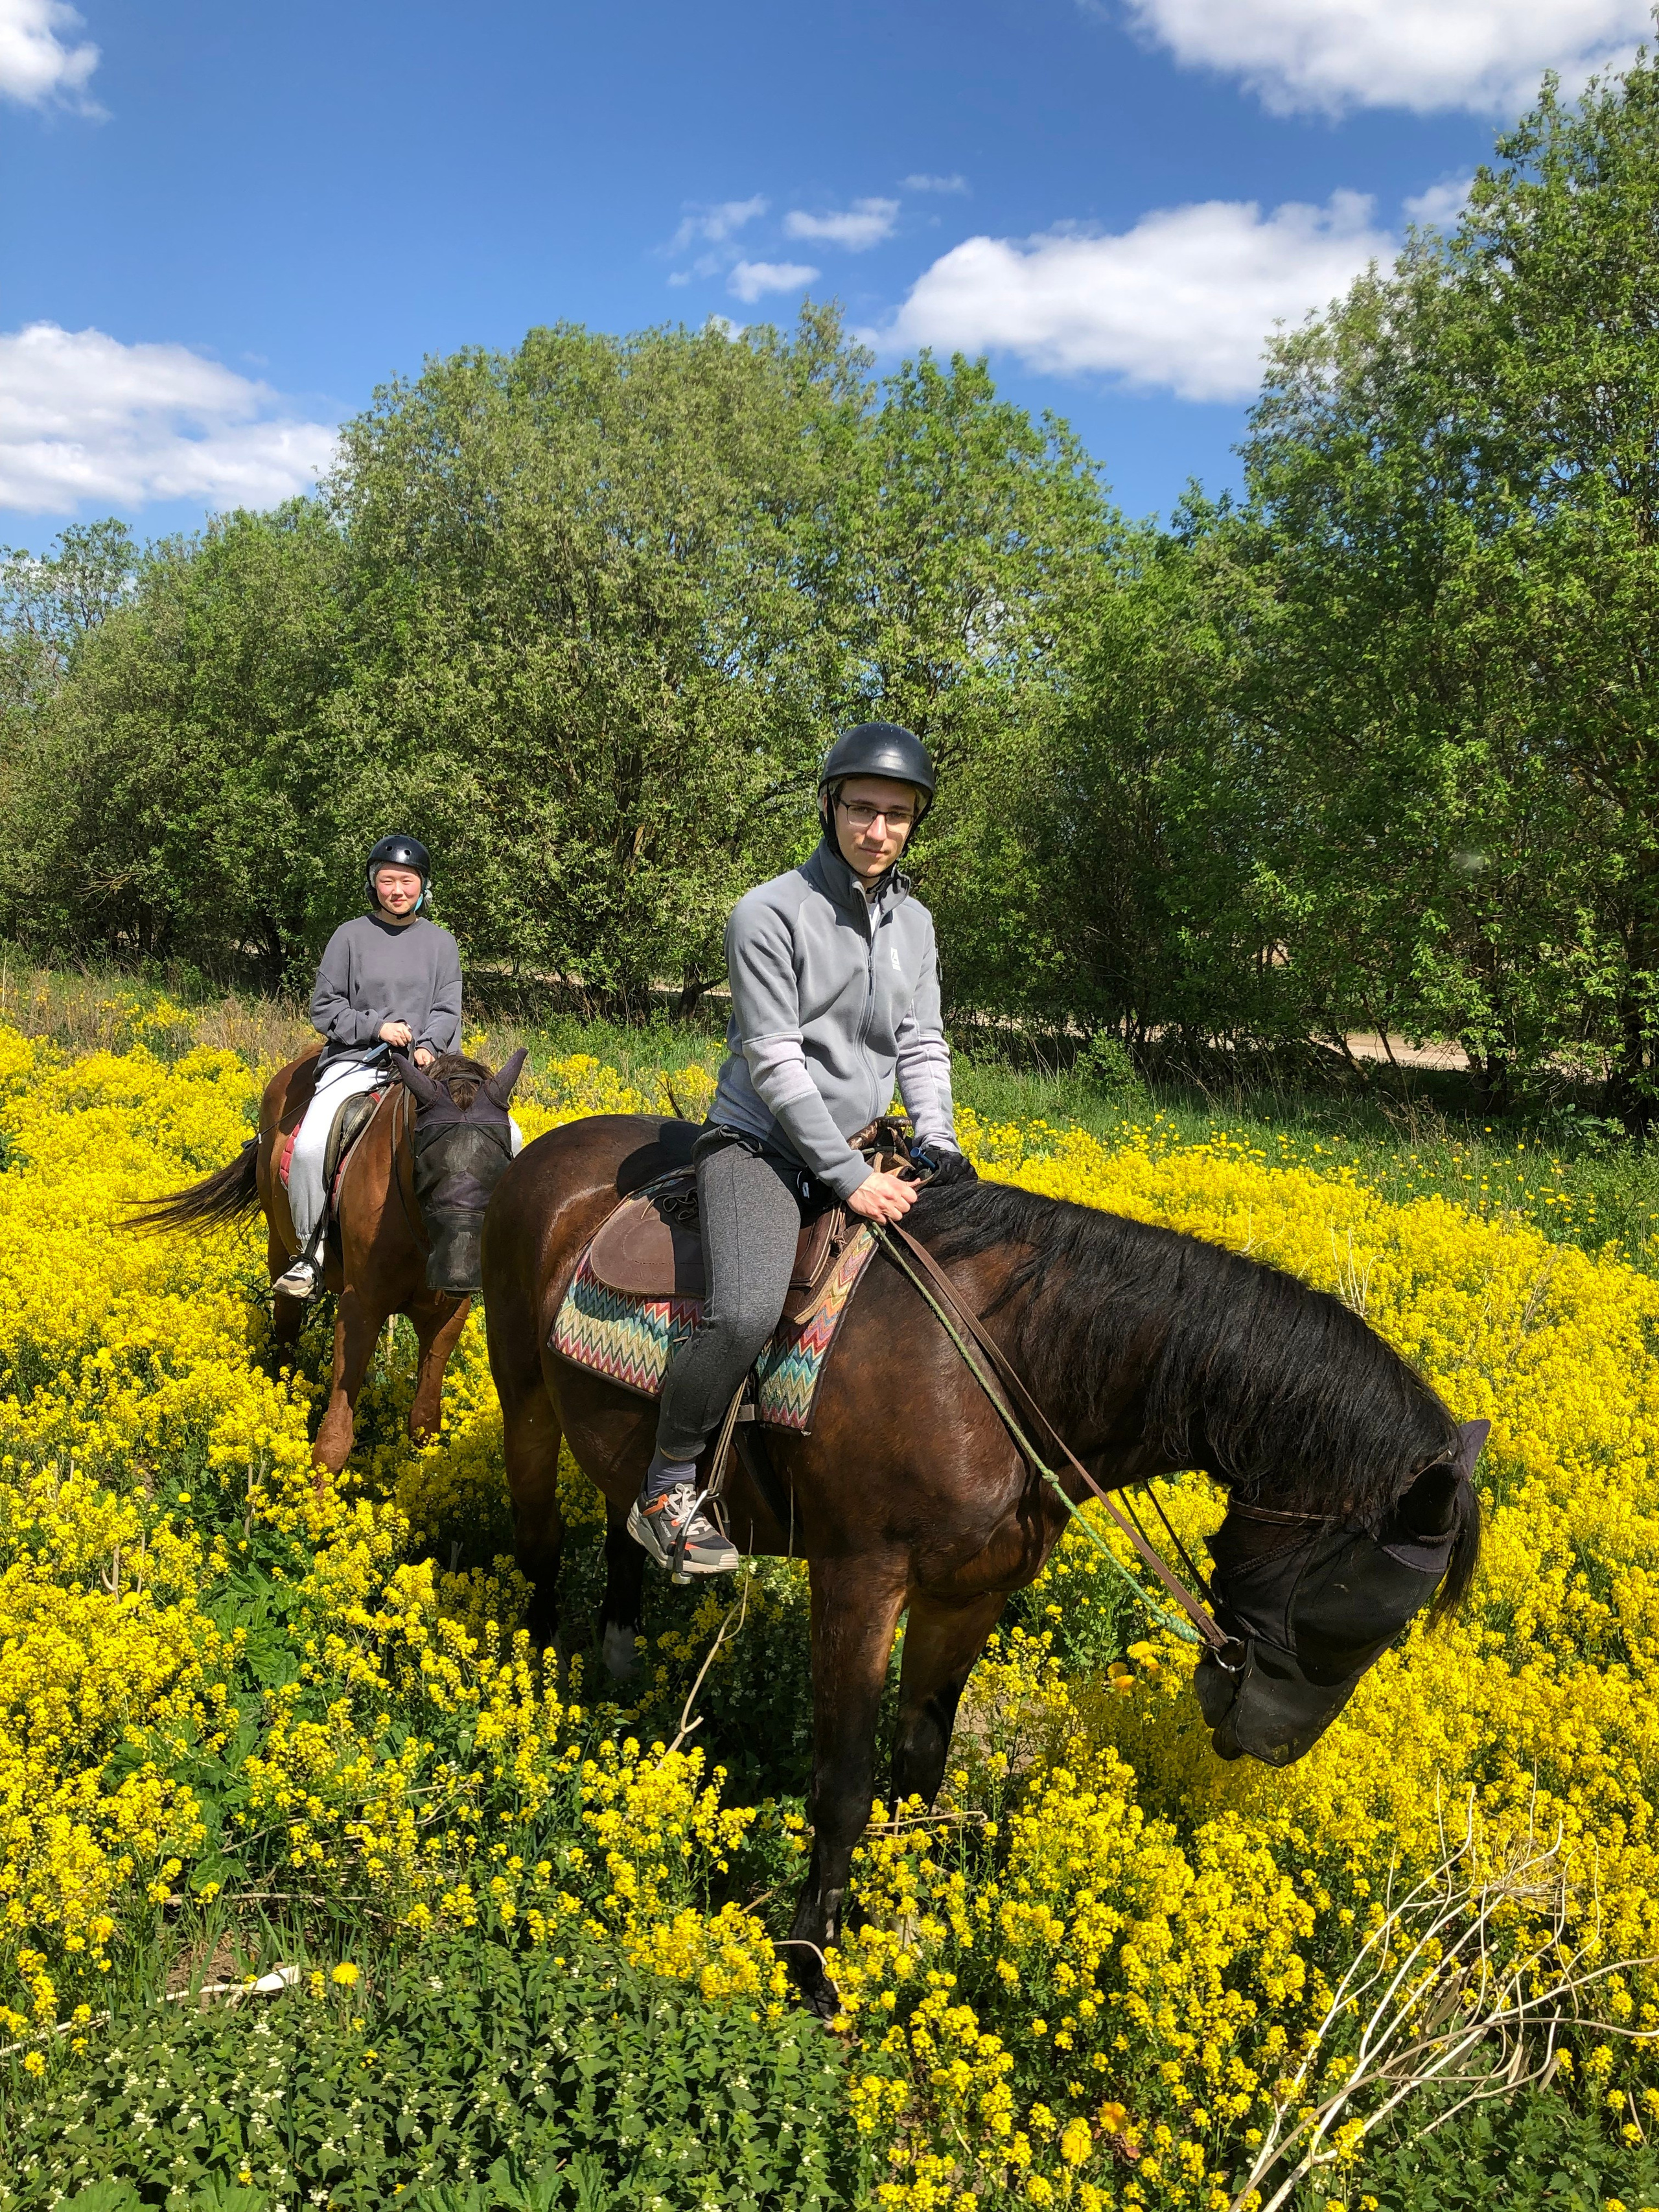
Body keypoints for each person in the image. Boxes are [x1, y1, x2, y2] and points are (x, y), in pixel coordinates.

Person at [629, 723, 970, 1576]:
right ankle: (667, 1487)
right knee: (744, 1309)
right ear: (830, 806)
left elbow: (922, 1042)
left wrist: (939, 1136)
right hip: (762, 1146)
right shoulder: (767, 912)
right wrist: (849, 1178)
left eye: (898, 815)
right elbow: (777, 1065)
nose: (879, 830)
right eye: (863, 809)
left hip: (871, 1143)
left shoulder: (916, 925)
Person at [272, 833, 463, 1300]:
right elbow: (325, 1008)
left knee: (503, 1136)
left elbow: (447, 1008)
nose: (397, 889)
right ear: (373, 884)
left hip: (427, 1068)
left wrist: (429, 1046)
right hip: (358, 1061)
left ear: (423, 886)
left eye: (407, 880)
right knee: (313, 1145)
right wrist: (378, 1028)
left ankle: (480, 1249)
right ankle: (308, 1255)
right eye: (387, 880)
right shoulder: (349, 936)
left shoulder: (442, 943)